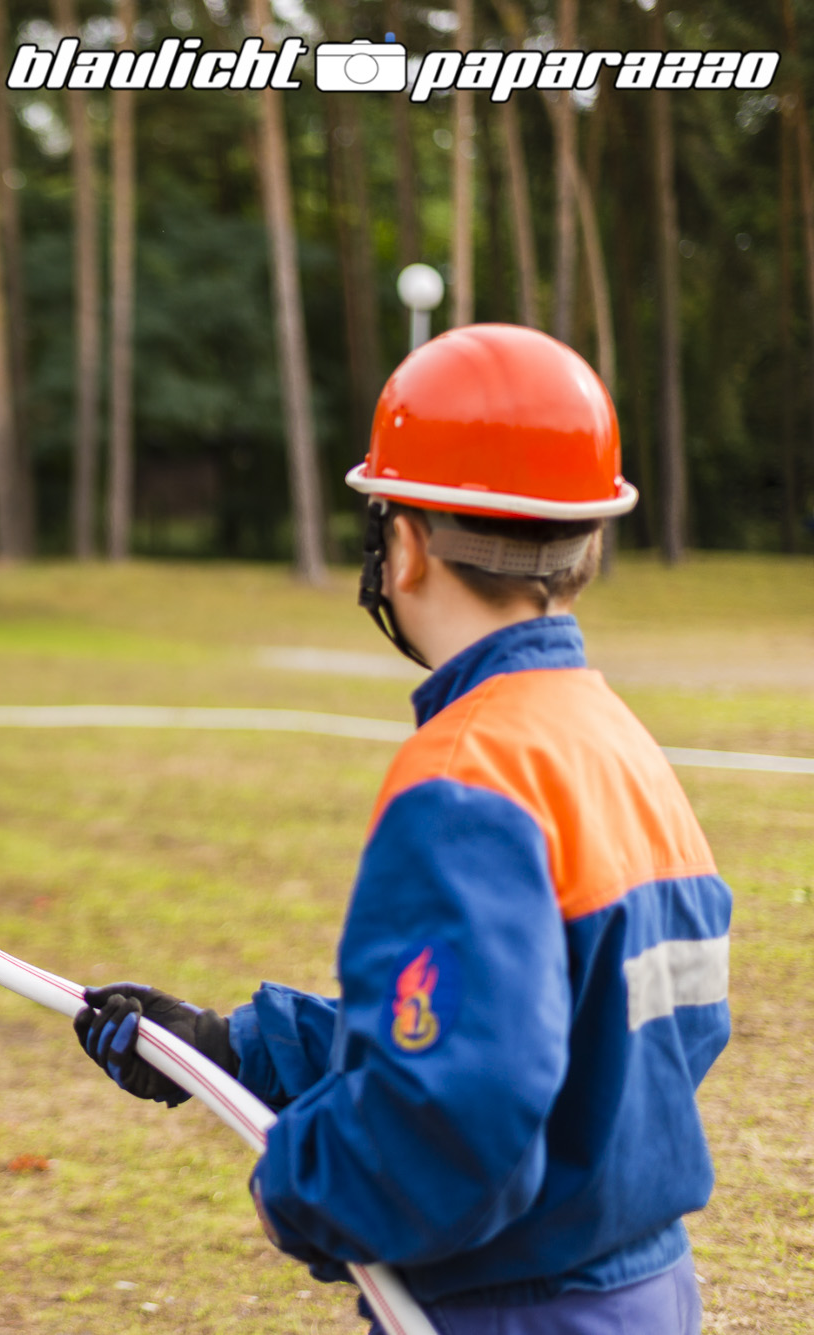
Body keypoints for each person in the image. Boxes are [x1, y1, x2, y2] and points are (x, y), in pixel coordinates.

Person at [73, 326, 731, 1334]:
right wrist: (233, 1049)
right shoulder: (615, 743)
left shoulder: (464, 779)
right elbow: (541, 1029)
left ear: (407, 544)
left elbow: (452, 1113)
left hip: (514, 1311)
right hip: (641, 1290)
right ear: (586, 544)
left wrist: (296, 1188)